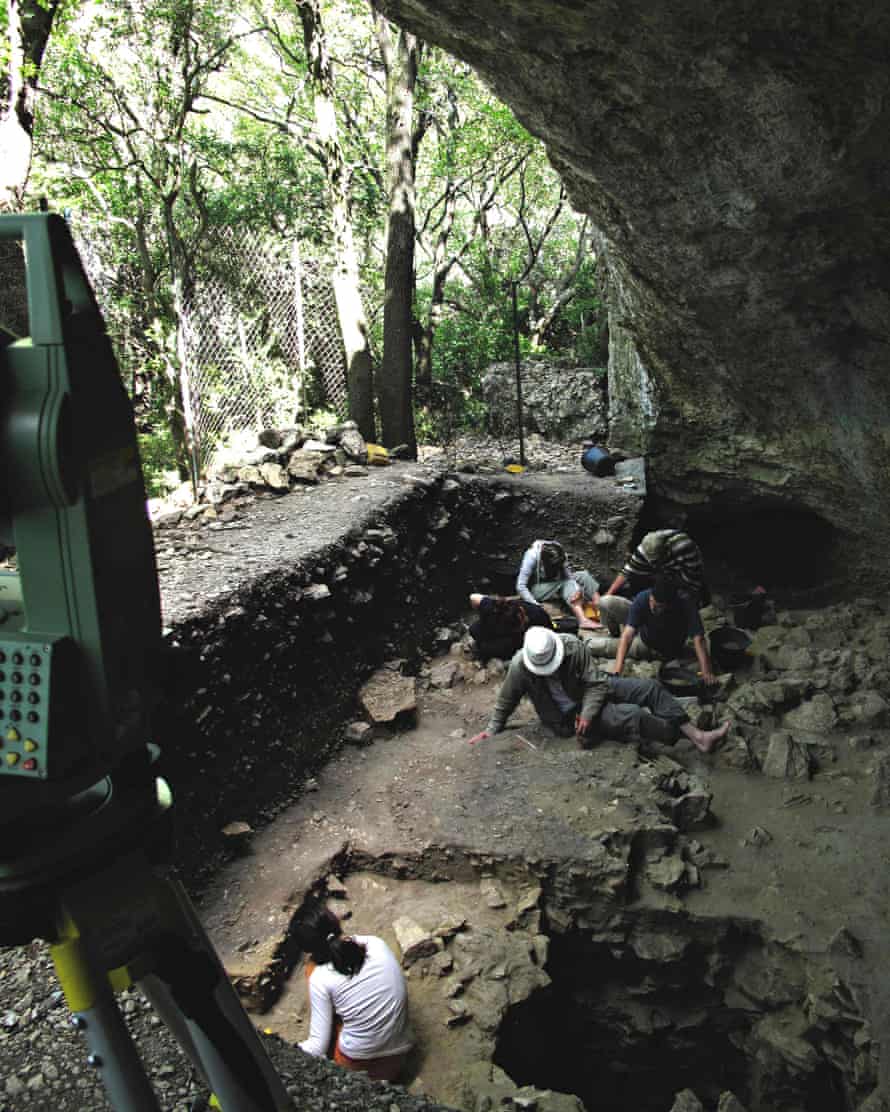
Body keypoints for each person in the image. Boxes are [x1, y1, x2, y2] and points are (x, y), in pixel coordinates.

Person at [468, 626, 729, 754]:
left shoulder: (571, 646)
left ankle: (698, 735)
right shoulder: (519, 666)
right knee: (632, 715)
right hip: (566, 716)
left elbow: (596, 683)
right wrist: (491, 731)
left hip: (589, 692)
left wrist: (589, 713)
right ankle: (683, 739)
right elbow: (506, 701)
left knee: (650, 687)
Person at [295, 902, 412, 1082]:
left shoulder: (319, 977)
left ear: (307, 949)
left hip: (358, 1066)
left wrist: (282, 1049)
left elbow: (316, 1048)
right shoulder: (375, 943)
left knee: (312, 971)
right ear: (335, 922)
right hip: (399, 1056)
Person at [610, 574, 718, 685]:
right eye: (652, 602)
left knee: (699, 668)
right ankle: (591, 643)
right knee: (604, 646)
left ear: (669, 604)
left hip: (673, 651)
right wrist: (618, 669)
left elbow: (698, 638)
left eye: (659, 606)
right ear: (651, 595)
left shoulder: (685, 603)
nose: (653, 607)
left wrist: (706, 672)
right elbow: (627, 635)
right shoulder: (642, 598)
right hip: (645, 643)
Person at [601, 529, 707, 609]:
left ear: (666, 549)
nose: (654, 563)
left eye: (656, 559)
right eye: (651, 560)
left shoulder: (684, 547)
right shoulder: (643, 549)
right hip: (662, 574)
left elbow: (694, 577)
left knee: (686, 600)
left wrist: (685, 598)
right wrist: (609, 594)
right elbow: (627, 572)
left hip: (682, 572)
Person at [516, 539, 601, 630]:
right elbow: (520, 586)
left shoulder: (558, 550)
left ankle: (601, 608)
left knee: (583, 575)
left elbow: (567, 574)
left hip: (553, 581)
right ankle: (583, 620)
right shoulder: (531, 556)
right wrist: (535, 604)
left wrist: (577, 589)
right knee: (566, 583)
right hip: (535, 588)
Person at [467, 592, 554, 661]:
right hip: (502, 629)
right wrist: (483, 618)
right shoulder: (494, 609)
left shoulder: (538, 615)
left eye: (523, 620)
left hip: (523, 637)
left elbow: (550, 634)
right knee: (473, 630)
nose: (525, 620)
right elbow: (473, 597)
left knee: (486, 648)